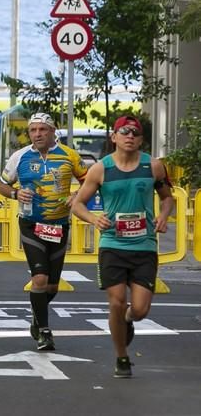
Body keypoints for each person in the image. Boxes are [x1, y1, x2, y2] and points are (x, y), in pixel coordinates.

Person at [71, 115, 173, 378]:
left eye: (135, 133)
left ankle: (128, 320)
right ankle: (122, 357)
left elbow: (167, 198)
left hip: (144, 246)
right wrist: (95, 218)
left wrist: (163, 216)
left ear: (141, 139)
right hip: (112, 245)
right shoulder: (100, 169)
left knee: (139, 310)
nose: (130, 137)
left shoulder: (154, 166)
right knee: (116, 302)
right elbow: (78, 204)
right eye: (124, 132)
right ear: (114, 137)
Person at [0, 112, 88, 350]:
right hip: (31, 224)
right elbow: (2, 185)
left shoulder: (69, 155)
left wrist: (77, 195)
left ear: (53, 131)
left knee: (52, 287)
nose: (37, 134)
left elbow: (90, 180)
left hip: (59, 225)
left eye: (42, 130)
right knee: (39, 278)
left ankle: (37, 316)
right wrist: (16, 193)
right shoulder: (20, 156)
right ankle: (45, 332)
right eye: (33, 130)